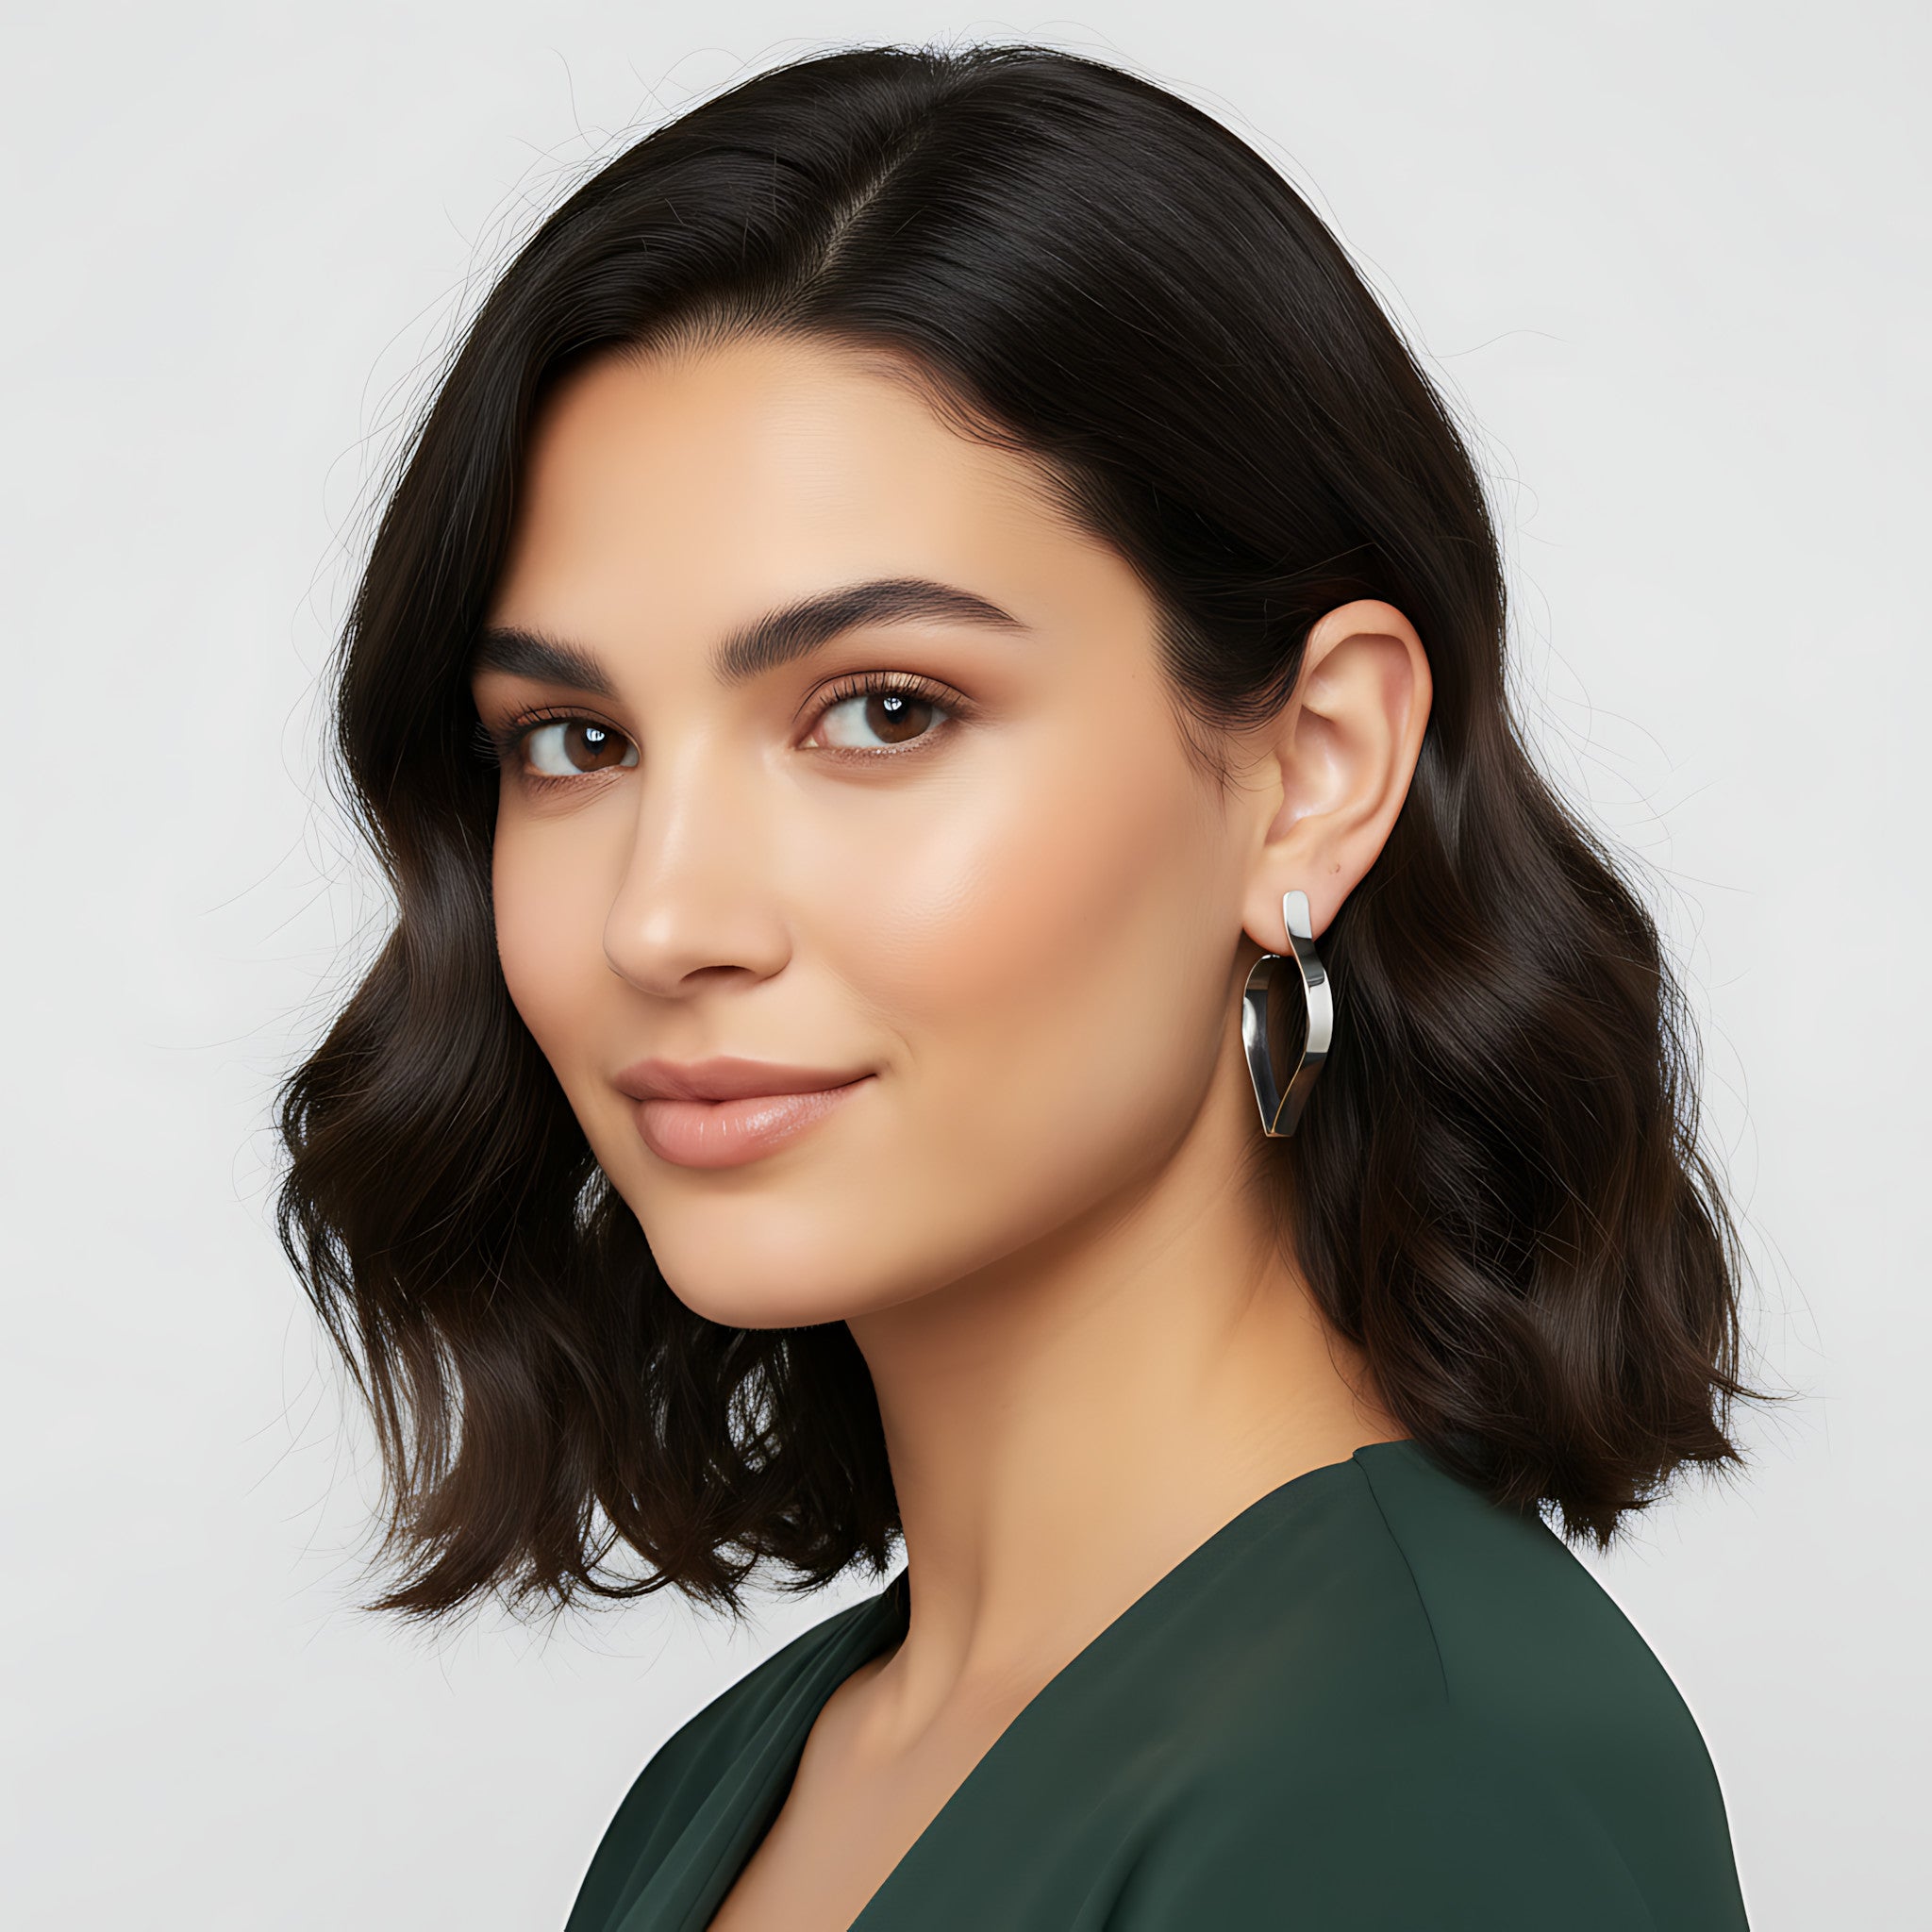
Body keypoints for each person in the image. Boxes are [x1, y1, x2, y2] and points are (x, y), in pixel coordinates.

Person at [275, 41, 1761, 1931]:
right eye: (572, 739)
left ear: (1312, 770)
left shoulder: (1420, 1785)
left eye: (882, 710)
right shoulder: (762, 1770)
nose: (663, 918)